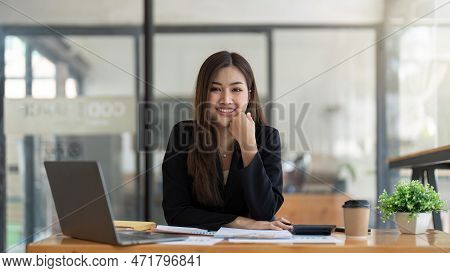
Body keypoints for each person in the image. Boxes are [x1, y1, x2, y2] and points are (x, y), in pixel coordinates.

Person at [162, 51, 292, 231]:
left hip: (253, 249)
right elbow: (176, 213)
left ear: (249, 94)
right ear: (203, 93)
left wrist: (249, 147)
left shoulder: (268, 138)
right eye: (215, 89)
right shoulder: (183, 135)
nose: (226, 99)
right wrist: (242, 222)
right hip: (199, 248)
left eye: (236, 89)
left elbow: (264, 212)